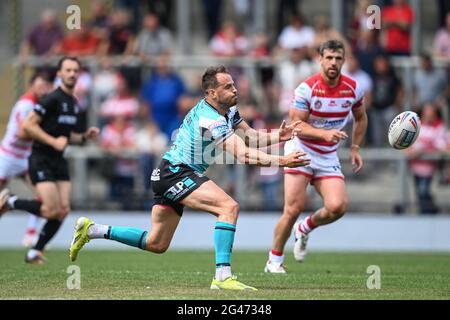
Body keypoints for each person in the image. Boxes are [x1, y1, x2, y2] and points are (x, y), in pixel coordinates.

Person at [68, 65, 310, 291]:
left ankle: (93, 230)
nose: (235, 89)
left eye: (234, 85)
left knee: (156, 244)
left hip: (169, 173)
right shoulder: (211, 119)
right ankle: (222, 276)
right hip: (176, 172)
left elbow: (251, 137)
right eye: (228, 87)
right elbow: (244, 154)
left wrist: (280, 136)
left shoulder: (228, 111)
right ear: (212, 93)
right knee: (229, 207)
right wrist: (283, 161)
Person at [265, 40, 368, 273]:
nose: (333, 62)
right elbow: (295, 125)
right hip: (300, 149)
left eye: (338, 58)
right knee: (293, 208)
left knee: (338, 206)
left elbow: (361, 118)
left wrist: (355, 147)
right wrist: (324, 133)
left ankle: (305, 228)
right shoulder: (307, 89)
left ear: (344, 60)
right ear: (319, 59)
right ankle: (274, 261)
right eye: (329, 57)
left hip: (326, 155)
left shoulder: (354, 88)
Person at [0, 56, 100, 264]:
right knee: (49, 210)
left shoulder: (73, 102)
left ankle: (35, 251)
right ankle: (10, 201)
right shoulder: (51, 99)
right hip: (41, 158)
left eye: (75, 70)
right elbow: (28, 126)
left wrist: (83, 136)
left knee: (63, 210)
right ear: (60, 74)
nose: (72, 74)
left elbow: (66, 134)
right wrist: (53, 141)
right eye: (68, 70)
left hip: (58, 161)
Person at [0, 73, 52, 247]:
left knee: (42, 194)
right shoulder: (26, 104)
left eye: (47, 85)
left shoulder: (40, 105)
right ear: (32, 85)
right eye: (41, 84)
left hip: (26, 157)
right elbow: (23, 133)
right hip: (8, 156)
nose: (44, 88)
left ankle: (30, 235)